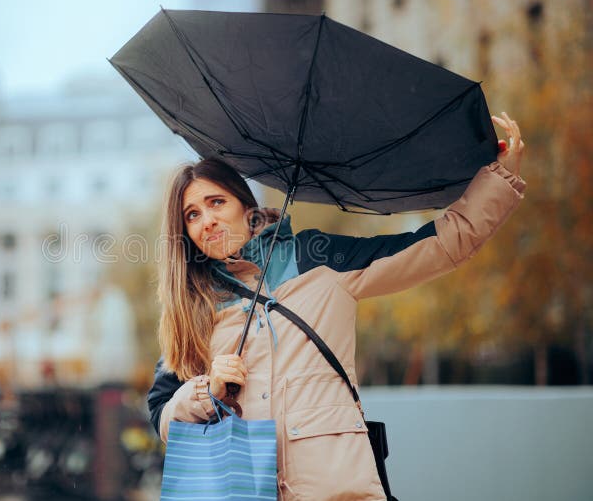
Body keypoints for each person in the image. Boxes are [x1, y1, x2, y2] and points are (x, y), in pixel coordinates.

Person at [147, 113, 527, 499]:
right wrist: (203, 392)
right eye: (192, 215)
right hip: (239, 490)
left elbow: (441, 245)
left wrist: (499, 179)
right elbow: (161, 414)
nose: (207, 221)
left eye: (216, 202)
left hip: (336, 488)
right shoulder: (192, 304)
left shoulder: (320, 258)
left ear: (248, 208)